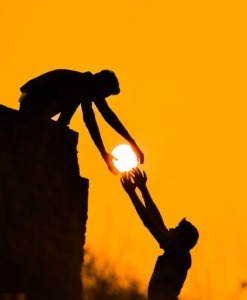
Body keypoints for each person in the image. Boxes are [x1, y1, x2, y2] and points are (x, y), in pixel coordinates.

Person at [18, 69, 144, 174]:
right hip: (33, 100)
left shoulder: (84, 85)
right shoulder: (85, 82)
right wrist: (131, 143)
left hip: (32, 102)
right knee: (74, 96)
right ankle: (58, 122)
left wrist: (104, 153)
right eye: (106, 93)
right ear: (101, 83)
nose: (104, 97)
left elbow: (92, 119)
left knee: (75, 97)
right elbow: (103, 116)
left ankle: (59, 123)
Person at [121, 168, 199, 300]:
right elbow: (157, 221)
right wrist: (143, 189)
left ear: (181, 240)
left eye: (176, 229)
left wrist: (132, 194)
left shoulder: (177, 251)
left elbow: (150, 224)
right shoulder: (176, 251)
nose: (170, 229)